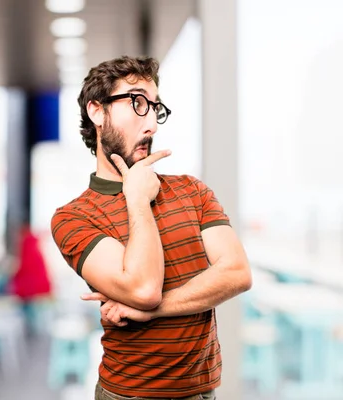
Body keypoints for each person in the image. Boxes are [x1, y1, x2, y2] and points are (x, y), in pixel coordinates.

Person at [50, 56, 252, 400]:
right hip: (129, 394)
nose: (152, 126)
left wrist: (151, 310)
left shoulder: (191, 190)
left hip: (203, 393)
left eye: (155, 108)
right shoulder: (73, 217)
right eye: (137, 103)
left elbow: (236, 273)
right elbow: (144, 288)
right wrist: (138, 201)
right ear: (97, 111)